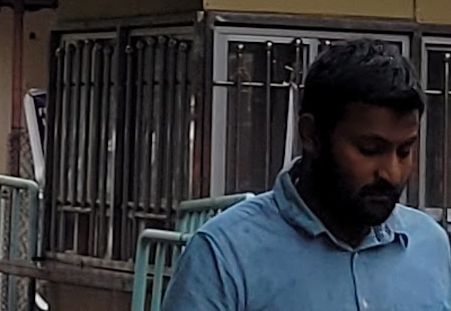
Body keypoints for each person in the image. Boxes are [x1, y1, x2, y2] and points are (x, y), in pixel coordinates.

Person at [162, 38, 451, 311]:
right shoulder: (224, 256)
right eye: (369, 149)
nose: (392, 172)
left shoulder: (432, 246)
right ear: (311, 134)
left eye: (404, 151)